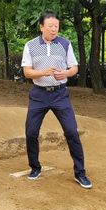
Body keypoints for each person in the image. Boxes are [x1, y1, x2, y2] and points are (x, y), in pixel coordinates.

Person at [21, 11, 92, 189]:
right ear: (41, 27)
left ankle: (80, 173)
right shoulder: (30, 46)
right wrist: (43, 72)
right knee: (31, 133)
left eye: (57, 27)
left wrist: (66, 73)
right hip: (39, 94)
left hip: (60, 94)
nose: (54, 30)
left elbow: (74, 67)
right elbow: (27, 72)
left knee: (71, 132)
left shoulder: (65, 44)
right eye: (51, 26)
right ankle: (35, 167)